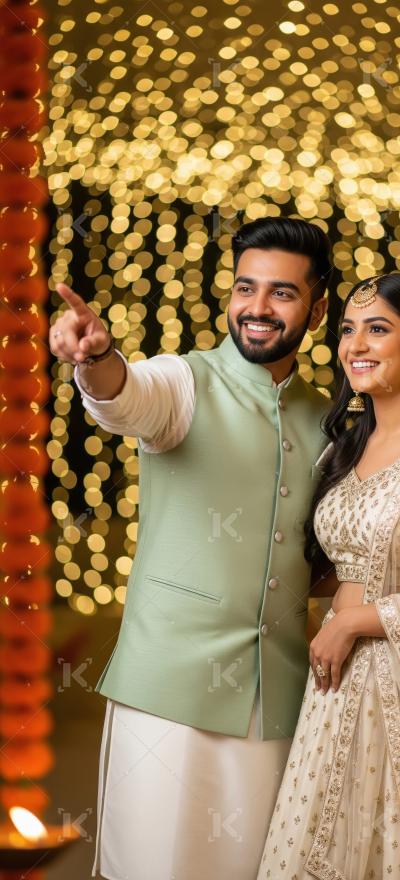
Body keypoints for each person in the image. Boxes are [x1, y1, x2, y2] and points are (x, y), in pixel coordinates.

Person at [49, 217, 333, 880]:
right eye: (245, 288)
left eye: (282, 294)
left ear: (318, 308)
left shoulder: (329, 414)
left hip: (282, 699)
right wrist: (95, 361)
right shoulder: (182, 380)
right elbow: (126, 400)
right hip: (170, 695)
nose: (257, 308)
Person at [258, 273, 400, 880]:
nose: (355, 345)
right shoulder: (343, 446)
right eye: (347, 329)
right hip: (331, 691)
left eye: (378, 329)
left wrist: (357, 622)